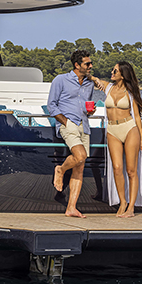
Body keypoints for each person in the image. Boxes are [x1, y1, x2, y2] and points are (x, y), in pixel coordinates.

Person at [90, 61, 142, 217]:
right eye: (112, 70)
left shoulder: (130, 92)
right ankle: (122, 202)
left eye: (115, 71)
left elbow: (137, 116)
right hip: (112, 130)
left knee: (131, 170)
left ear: (123, 75)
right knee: (117, 168)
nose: (112, 72)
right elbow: (94, 79)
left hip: (129, 128)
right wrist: (88, 75)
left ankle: (131, 208)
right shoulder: (108, 88)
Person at [47, 50, 96, 218]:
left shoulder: (89, 84)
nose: (90, 66)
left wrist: (90, 112)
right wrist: (66, 122)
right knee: (80, 156)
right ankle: (60, 170)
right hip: (68, 124)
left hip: (84, 124)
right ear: (77, 65)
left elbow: (86, 105)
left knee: (80, 165)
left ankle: (71, 208)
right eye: (87, 64)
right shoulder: (60, 80)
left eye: (90, 63)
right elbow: (51, 105)